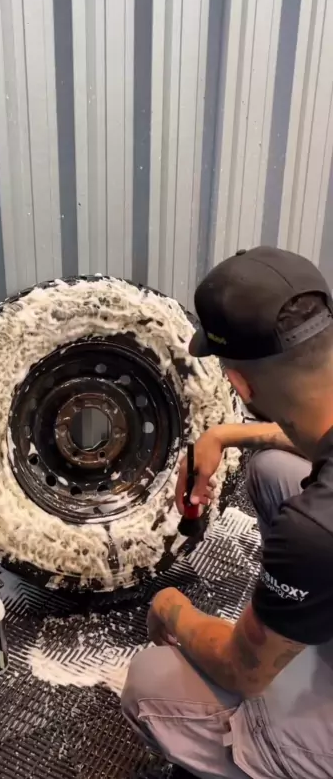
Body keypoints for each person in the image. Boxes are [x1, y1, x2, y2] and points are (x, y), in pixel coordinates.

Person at [122, 246, 333, 779]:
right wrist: (223, 434)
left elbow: (242, 671)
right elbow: (315, 437)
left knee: (151, 683)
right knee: (274, 471)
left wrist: (171, 606)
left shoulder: (313, 529)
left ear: (239, 384)